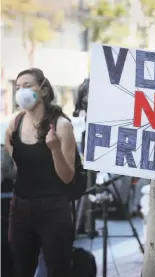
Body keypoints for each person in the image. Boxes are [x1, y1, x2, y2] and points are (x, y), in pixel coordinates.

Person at [5, 68, 76, 277]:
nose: (21, 92)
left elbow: (67, 176)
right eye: (18, 88)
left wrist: (54, 150)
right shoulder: (15, 123)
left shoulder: (61, 126)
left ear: (43, 90)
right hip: (21, 208)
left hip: (53, 210)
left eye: (28, 86)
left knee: (57, 269)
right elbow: (17, 162)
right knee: (20, 267)